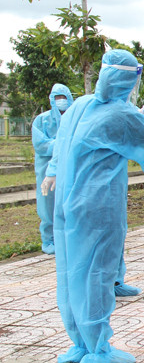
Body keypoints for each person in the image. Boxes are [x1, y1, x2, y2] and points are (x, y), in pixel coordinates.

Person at [41, 49, 144, 363]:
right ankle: (98, 350)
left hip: (67, 200)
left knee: (71, 273)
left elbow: (67, 143)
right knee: (98, 274)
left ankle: (79, 343)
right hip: (97, 206)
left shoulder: (80, 105)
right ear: (131, 79)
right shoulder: (121, 115)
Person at [31, 83, 73, 255]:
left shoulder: (74, 118)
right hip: (46, 167)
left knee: (68, 202)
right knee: (47, 203)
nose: (61, 101)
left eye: (64, 98)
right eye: (57, 98)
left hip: (69, 166)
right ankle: (48, 239)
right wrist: (62, 143)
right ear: (51, 100)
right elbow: (41, 145)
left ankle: (67, 238)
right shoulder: (42, 120)